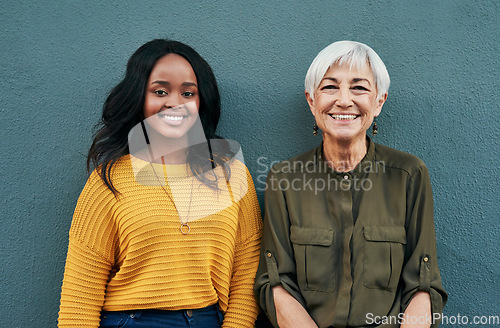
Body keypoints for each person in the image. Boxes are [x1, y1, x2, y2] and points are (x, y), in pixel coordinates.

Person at [58, 39, 262, 328]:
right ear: (139, 99)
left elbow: (246, 274)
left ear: (201, 101)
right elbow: (79, 299)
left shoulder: (233, 174)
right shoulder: (108, 179)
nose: (174, 102)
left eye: (188, 92)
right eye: (160, 91)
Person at [254, 41, 447, 328]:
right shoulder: (284, 179)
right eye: (330, 87)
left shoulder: (409, 174)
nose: (344, 100)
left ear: (379, 102)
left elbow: (423, 284)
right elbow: (276, 284)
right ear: (311, 101)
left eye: (359, 88)